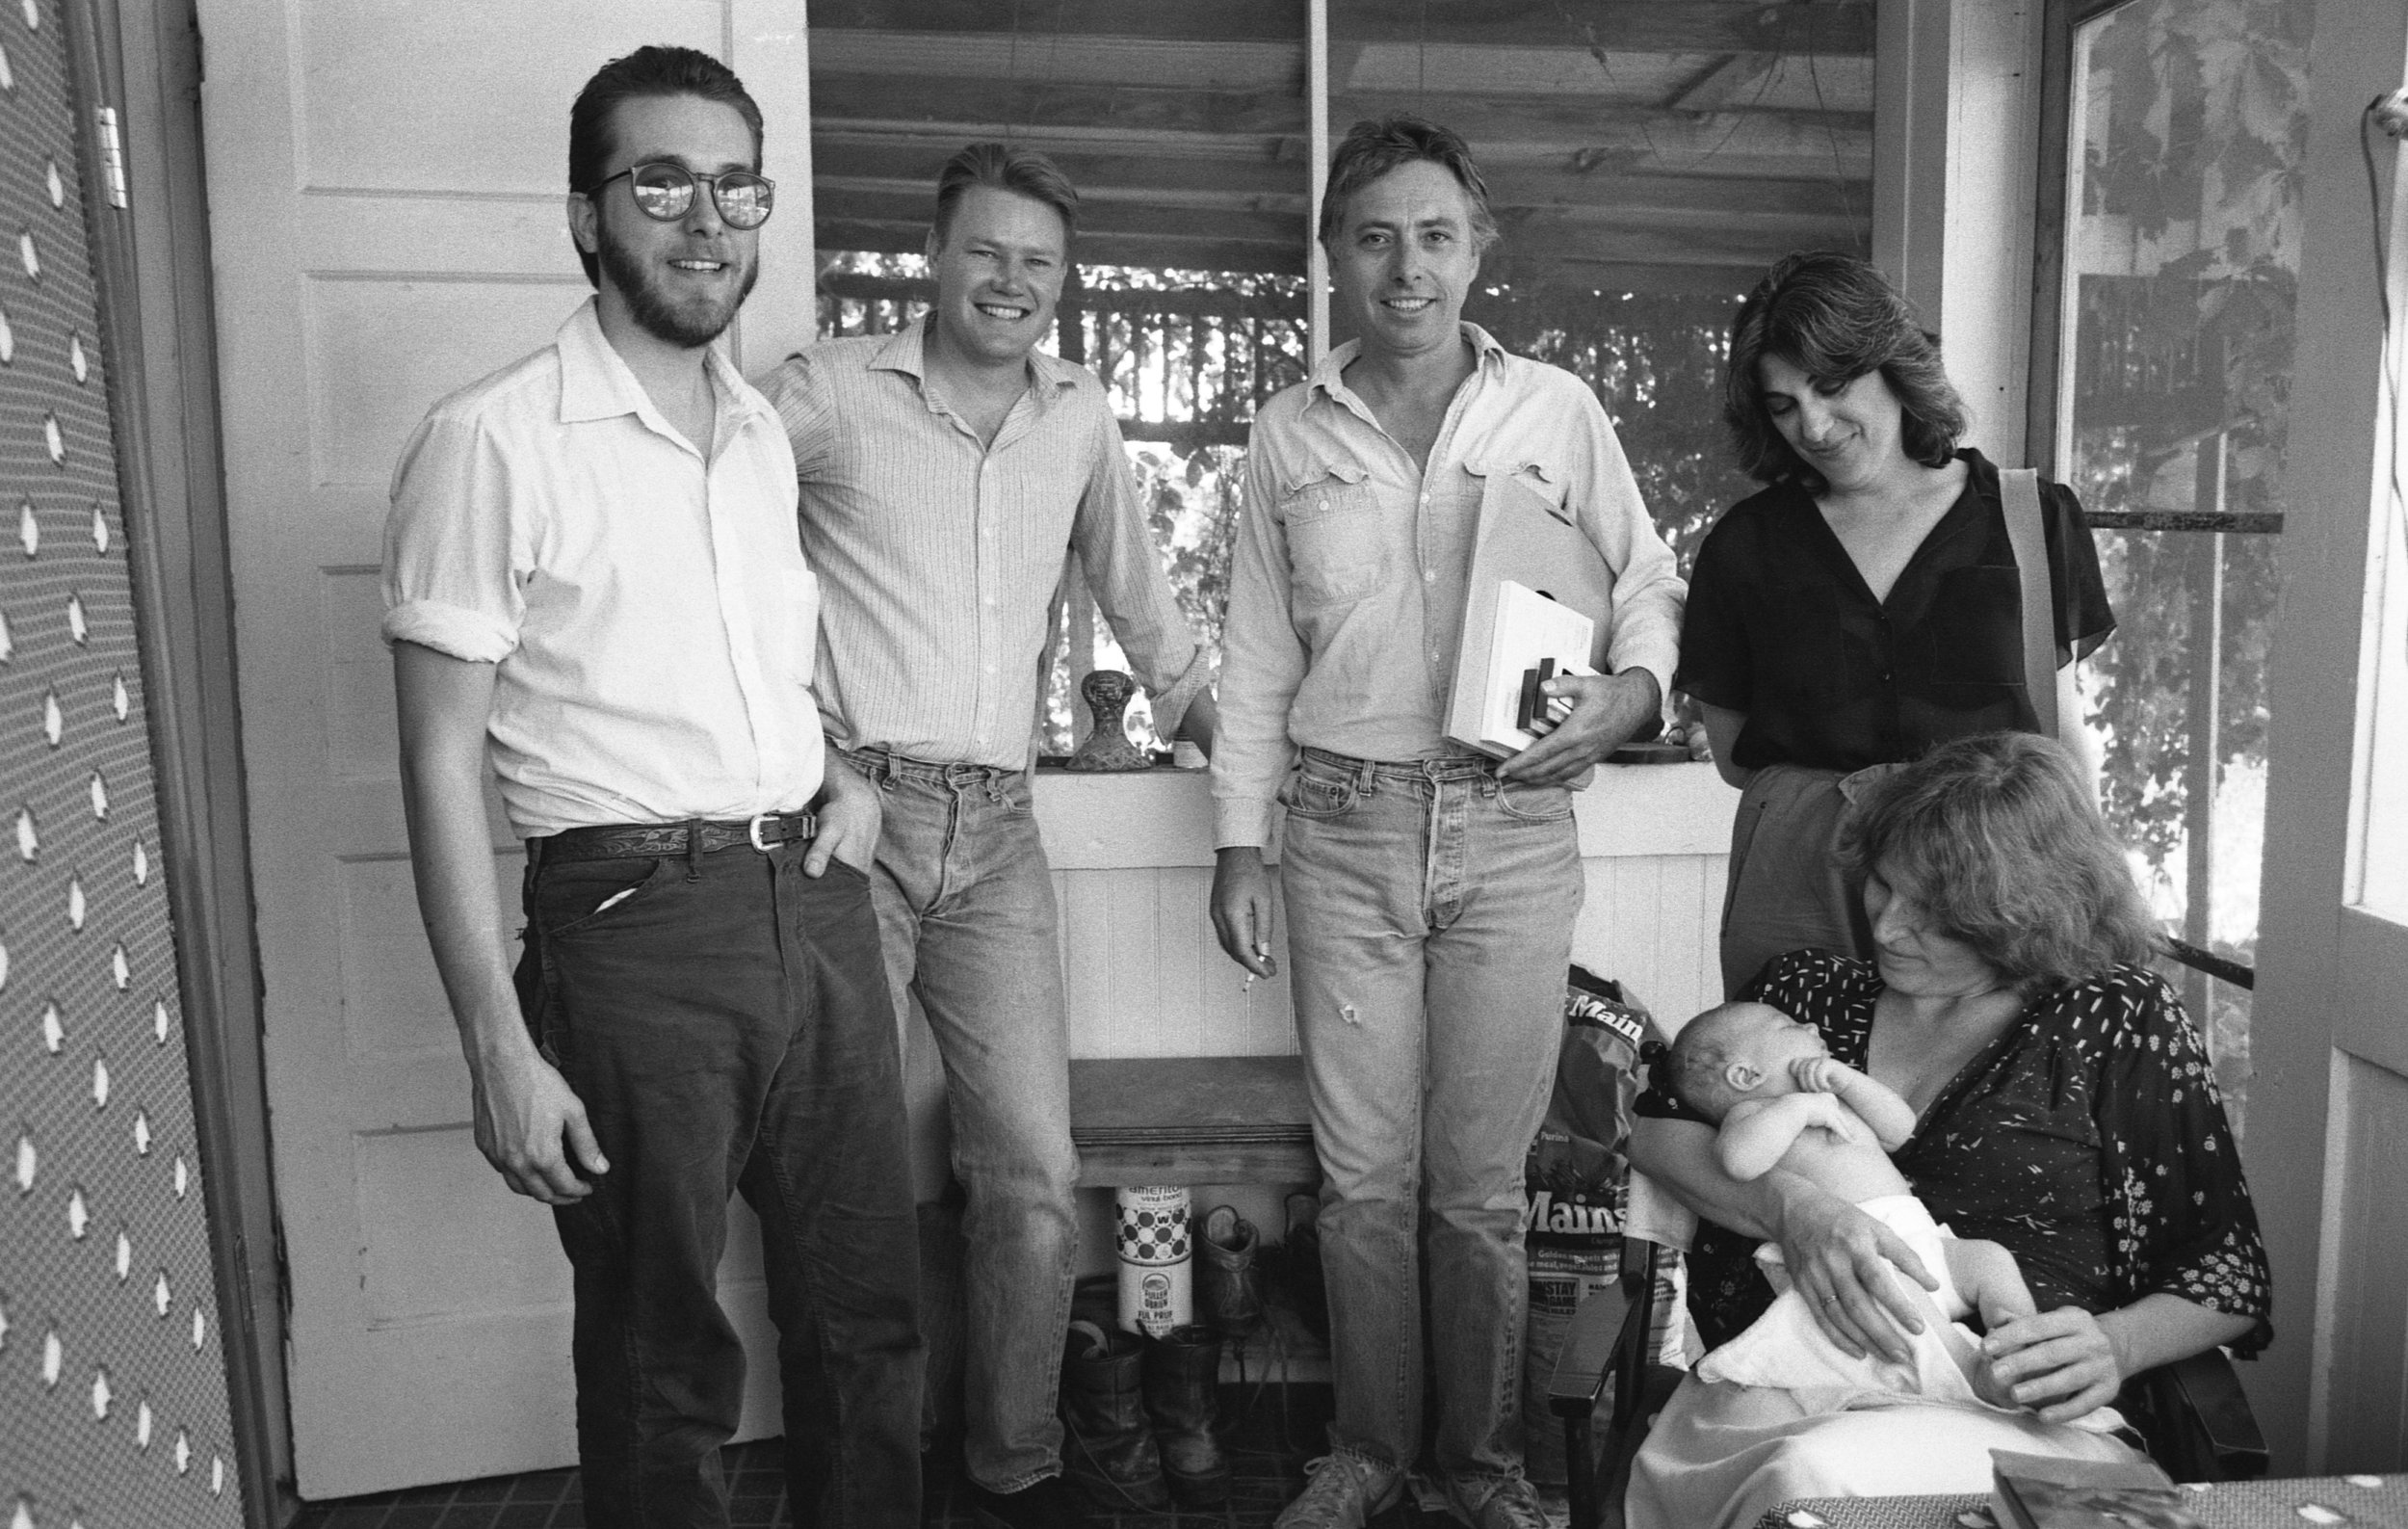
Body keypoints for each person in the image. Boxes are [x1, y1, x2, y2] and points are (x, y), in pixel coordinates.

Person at [381, 47, 921, 1529]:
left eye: (735, 184)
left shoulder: (755, 437)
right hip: (627, 930)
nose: (706, 219)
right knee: (660, 1358)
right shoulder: (490, 439)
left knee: (868, 1320)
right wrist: (495, 1044)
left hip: (810, 907)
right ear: (586, 214)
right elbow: (434, 759)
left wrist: (844, 775)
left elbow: (762, 666)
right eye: (660, 180)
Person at [1209, 116, 1685, 1529]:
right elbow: (1251, 655)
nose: (1404, 265)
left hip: (1513, 823)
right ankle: (1365, 1452)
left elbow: (1646, 576)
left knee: (1477, 1187)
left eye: (1433, 233)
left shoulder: (1558, 411)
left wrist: (1631, 691)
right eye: (1372, 235)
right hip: (1343, 827)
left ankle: (1475, 1468)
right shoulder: (1288, 433)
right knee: (1362, 1182)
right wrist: (1240, 841)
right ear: (1334, 254)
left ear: (1478, 246)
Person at [755, 142, 1217, 1528]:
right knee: (842, 1163)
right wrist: (800, 744)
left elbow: (1143, 602)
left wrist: (1236, 747)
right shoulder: (830, 393)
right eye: (986, 252)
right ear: (933, 256)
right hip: (853, 820)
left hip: (1000, 829)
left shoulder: (1077, 415)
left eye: (1040, 262)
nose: (1012, 281)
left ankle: (1011, 1458)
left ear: (1061, 281)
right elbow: (708, 551)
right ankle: (867, 1467)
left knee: (1028, 1166)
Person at [1625, 732, 2271, 1529]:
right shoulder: (1805, 996)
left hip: (2014, 1423)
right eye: (1884, 887)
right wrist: (1794, 1208)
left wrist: (2117, 1345)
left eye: (1936, 917)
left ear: (2023, 917)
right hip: (1775, 1394)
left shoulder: (2117, 1019)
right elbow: (1656, 1132)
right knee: (1800, 1468)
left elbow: (2229, 1271)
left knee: (1817, 1481)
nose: (1890, 928)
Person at [1682, 251, 2116, 998]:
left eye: (1830, 384)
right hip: (1803, 884)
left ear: (1894, 367)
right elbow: (1733, 756)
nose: (1812, 424)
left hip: (1992, 878)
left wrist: (2104, 887)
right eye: (1783, 404)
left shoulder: (2028, 518)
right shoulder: (1744, 547)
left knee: (1990, 1101)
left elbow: (2061, 730)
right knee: (1803, 1099)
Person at [1663, 1001, 2047, 1412]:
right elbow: (1739, 1162)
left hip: (1920, 1239)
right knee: (1898, 1295)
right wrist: (1801, 1108)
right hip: (1852, 1255)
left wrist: (1847, 1082)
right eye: (1789, 1026)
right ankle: (1970, 1373)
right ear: (1746, 1075)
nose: (1810, 1022)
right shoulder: (1753, 1113)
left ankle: (2023, 1344)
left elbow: (1899, 1129)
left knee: (1989, 1259)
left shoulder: (1837, 1098)